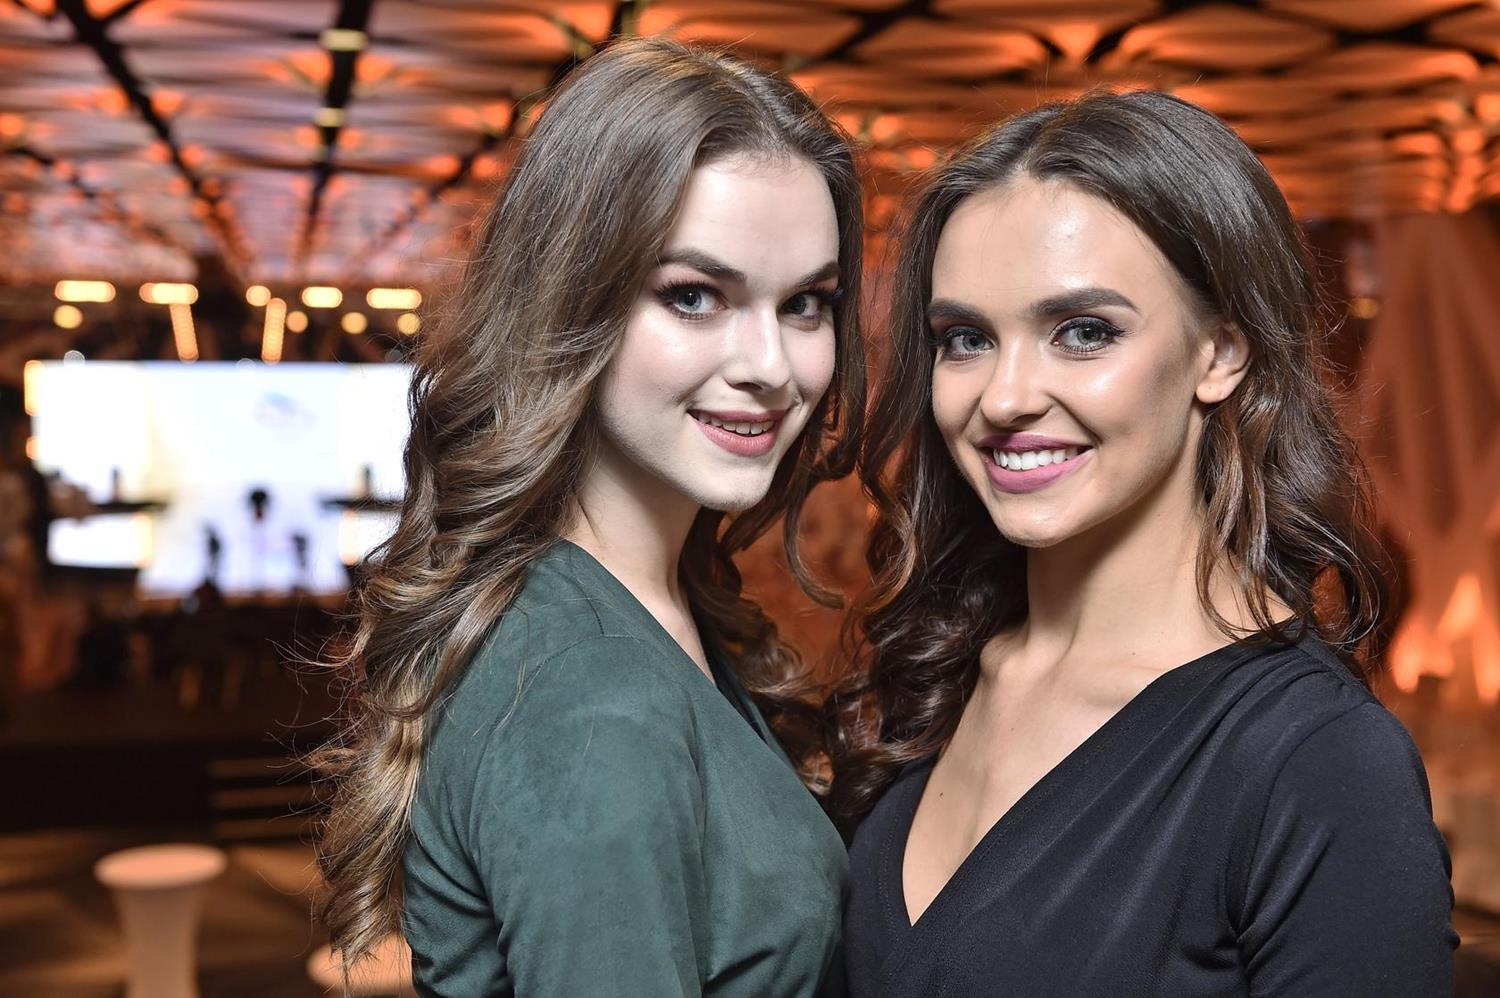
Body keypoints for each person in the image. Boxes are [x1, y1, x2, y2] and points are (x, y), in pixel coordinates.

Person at [831, 89, 1456, 996]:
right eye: (965, 339)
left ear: (1222, 352)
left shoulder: (1315, 761)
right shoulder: (941, 673)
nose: (1003, 397)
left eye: (1084, 333)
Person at [312, 37, 864, 997]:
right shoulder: (593, 696)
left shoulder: (629, 607)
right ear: (572, 302)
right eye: (695, 296)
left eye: (807, 304)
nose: (772, 367)